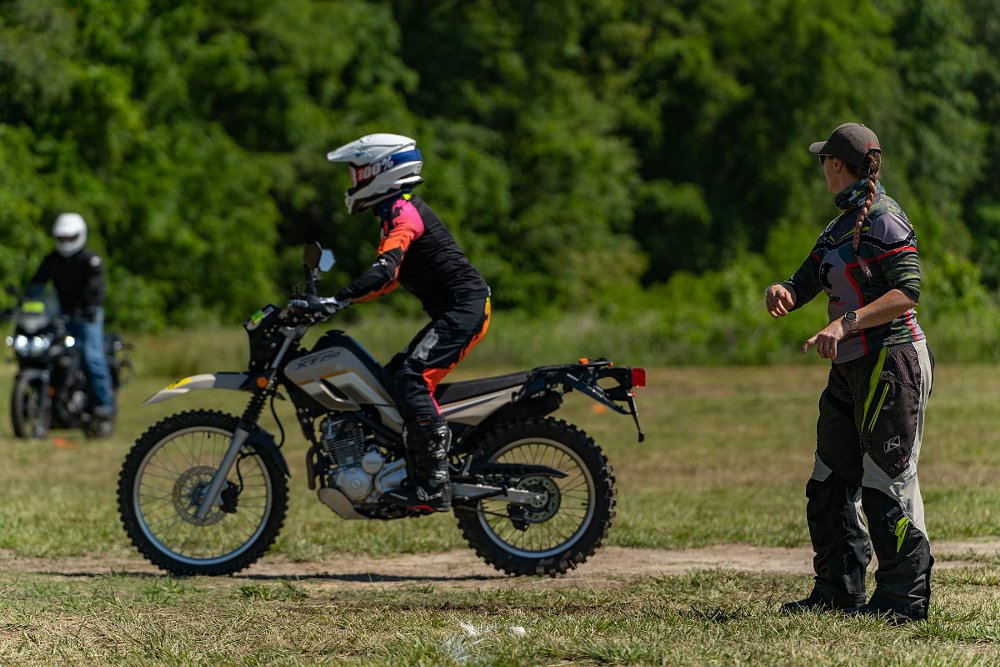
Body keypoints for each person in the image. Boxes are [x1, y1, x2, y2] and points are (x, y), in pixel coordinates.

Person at [764, 123, 933, 624]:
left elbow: (907, 293)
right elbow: (807, 278)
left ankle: (902, 600)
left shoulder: (886, 220)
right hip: (848, 365)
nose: (822, 169)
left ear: (836, 165)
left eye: (824, 161)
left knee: (887, 481)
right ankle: (838, 589)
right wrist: (784, 290)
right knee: (829, 480)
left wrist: (845, 322)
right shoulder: (839, 227)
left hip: (893, 360)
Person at [321, 133, 491, 513]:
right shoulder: (395, 213)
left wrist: (338, 298)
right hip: (457, 310)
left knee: (412, 379)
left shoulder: (403, 212)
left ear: (380, 169)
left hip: (464, 309)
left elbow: (384, 272)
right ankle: (405, 466)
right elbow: (390, 281)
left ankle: (433, 486)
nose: (353, 181)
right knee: (393, 377)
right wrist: (339, 302)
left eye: (357, 173)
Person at [30, 212, 115, 420]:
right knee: (42, 353)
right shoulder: (51, 260)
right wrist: (25, 305)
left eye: (70, 237)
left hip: (87, 316)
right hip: (60, 315)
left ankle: (104, 404)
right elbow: (36, 286)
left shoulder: (91, 261)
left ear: (80, 235)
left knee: (91, 357)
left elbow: (96, 289)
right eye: (61, 238)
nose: (65, 242)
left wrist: (90, 307)